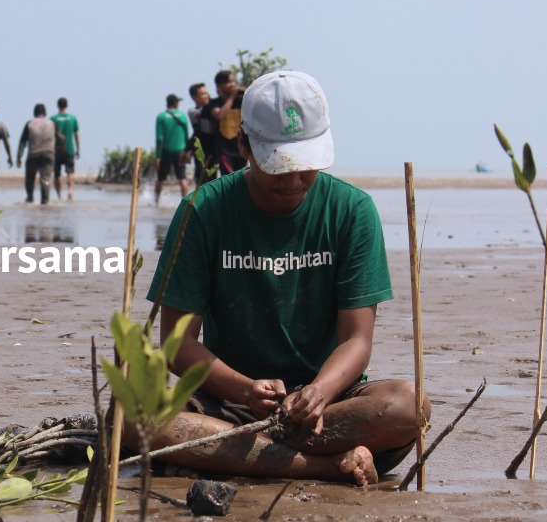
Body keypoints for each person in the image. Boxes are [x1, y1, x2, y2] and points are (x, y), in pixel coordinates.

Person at [143, 70, 429, 486]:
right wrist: (245, 390)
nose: (294, 182)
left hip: (329, 408)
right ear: (244, 145)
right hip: (230, 403)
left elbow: (356, 340)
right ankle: (326, 467)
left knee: (408, 405)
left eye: (306, 166)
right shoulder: (202, 212)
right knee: (135, 418)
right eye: (279, 167)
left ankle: (236, 455)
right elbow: (177, 343)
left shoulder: (352, 211)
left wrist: (318, 393)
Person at [17, 103, 63, 204]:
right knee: (45, 179)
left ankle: (30, 198)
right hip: (48, 154)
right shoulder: (52, 123)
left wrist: (19, 157)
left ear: (35, 113)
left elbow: (23, 142)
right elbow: (61, 138)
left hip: (33, 154)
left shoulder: (30, 123)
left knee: (30, 177)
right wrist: (59, 150)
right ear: (45, 113)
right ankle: (45, 201)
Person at [154, 93, 190, 206]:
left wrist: (158, 156)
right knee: (182, 178)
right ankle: (185, 203)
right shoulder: (183, 116)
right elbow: (187, 136)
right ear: (175, 103)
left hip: (166, 152)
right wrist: (187, 152)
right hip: (180, 151)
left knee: (160, 179)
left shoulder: (161, 116)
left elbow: (159, 138)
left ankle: (156, 202)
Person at [209, 70, 246, 175]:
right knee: (229, 178)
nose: (232, 85)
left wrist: (242, 91)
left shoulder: (240, 100)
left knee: (242, 177)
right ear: (219, 86)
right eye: (229, 82)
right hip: (224, 150)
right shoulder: (214, 103)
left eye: (233, 81)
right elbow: (220, 114)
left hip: (241, 148)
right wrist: (231, 98)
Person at [51, 97, 80, 201]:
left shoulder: (53, 119)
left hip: (57, 151)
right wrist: (78, 149)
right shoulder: (72, 118)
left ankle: (59, 195)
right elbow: (76, 134)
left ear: (58, 105)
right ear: (66, 105)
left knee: (57, 174)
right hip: (69, 149)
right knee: (70, 172)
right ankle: (70, 190)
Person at [186, 82, 215, 184]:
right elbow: (197, 131)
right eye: (202, 94)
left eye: (206, 93)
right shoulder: (193, 111)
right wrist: (187, 150)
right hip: (200, 149)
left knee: (213, 177)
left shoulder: (213, 108)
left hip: (214, 148)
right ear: (194, 97)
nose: (206, 96)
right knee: (200, 177)